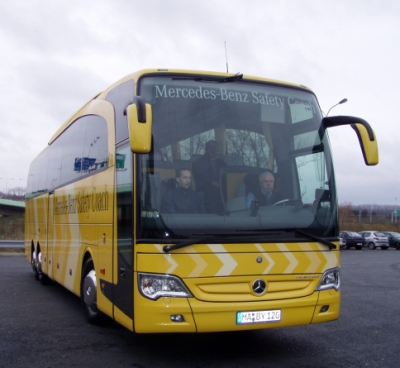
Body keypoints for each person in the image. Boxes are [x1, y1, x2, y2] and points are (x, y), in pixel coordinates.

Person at [192, 140, 226, 214]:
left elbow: (226, 175)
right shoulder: (198, 162)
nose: (213, 150)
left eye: (214, 148)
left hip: (221, 188)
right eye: (210, 147)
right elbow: (198, 177)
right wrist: (211, 182)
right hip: (205, 188)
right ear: (206, 149)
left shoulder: (221, 162)